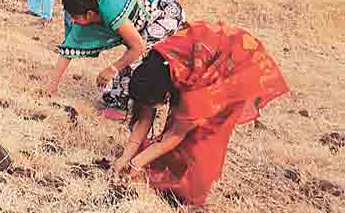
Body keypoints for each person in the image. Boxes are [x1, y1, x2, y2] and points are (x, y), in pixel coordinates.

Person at [112, 22, 288, 207]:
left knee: (203, 135)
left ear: (166, 93)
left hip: (238, 67)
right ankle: (170, 169)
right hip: (207, 58)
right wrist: (126, 157)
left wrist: (136, 163)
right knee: (183, 122)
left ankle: (189, 191)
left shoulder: (193, 92)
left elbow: (176, 134)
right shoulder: (152, 69)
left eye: (161, 102)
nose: (163, 106)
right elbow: (145, 116)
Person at [49, 0, 185, 119]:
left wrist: (112, 69)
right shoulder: (86, 19)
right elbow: (67, 51)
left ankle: (124, 108)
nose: (72, 20)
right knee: (113, 87)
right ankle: (123, 100)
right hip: (146, 25)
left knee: (138, 60)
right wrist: (52, 86)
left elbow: (138, 47)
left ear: (89, 14)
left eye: (74, 16)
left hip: (166, 13)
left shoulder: (111, 10)